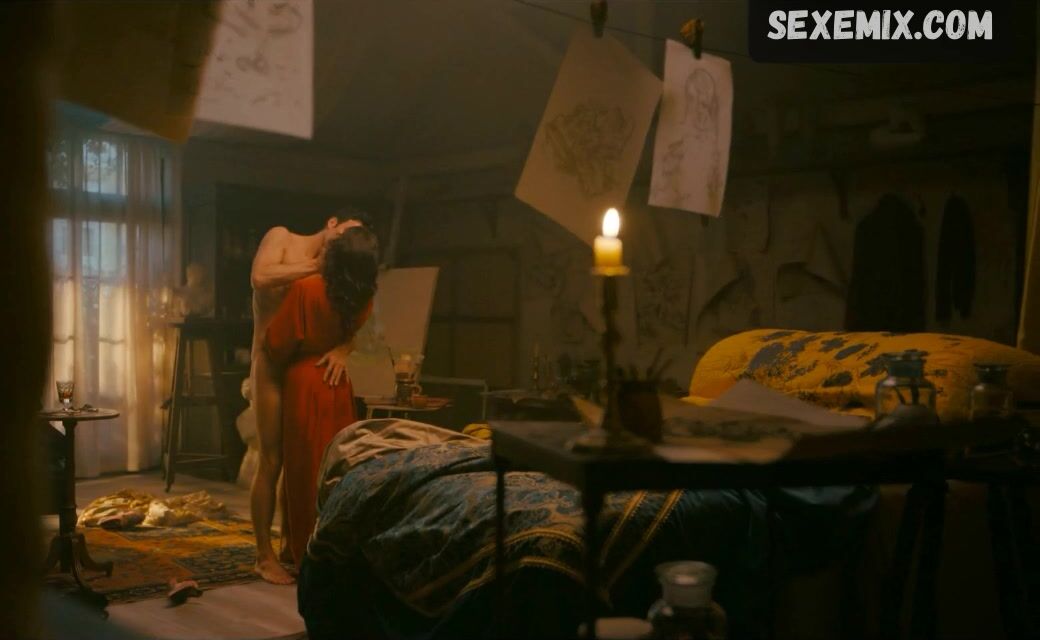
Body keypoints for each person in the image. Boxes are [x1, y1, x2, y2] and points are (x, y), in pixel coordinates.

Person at [249, 212, 369, 584]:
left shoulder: (335, 273)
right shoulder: (282, 237)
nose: (345, 240)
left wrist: (344, 349)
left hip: (303, 364)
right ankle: (263, 556)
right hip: (270, 363)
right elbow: (260, 278)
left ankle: (293, 543)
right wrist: (316, 266)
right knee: (272, 459)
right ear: (332, 223)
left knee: (302, 460)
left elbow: (352, 313)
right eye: (345, 232)